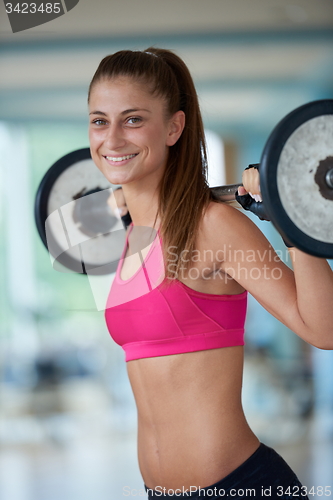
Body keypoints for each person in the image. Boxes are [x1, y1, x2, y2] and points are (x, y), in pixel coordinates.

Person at [88, 47, 333, 499]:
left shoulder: (214, 225)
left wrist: (295, 221)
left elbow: (324, 329)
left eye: (134, 119)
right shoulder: (134, 233)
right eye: (100, 120)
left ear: (174, 127)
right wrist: (128, 208)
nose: (113, 138)